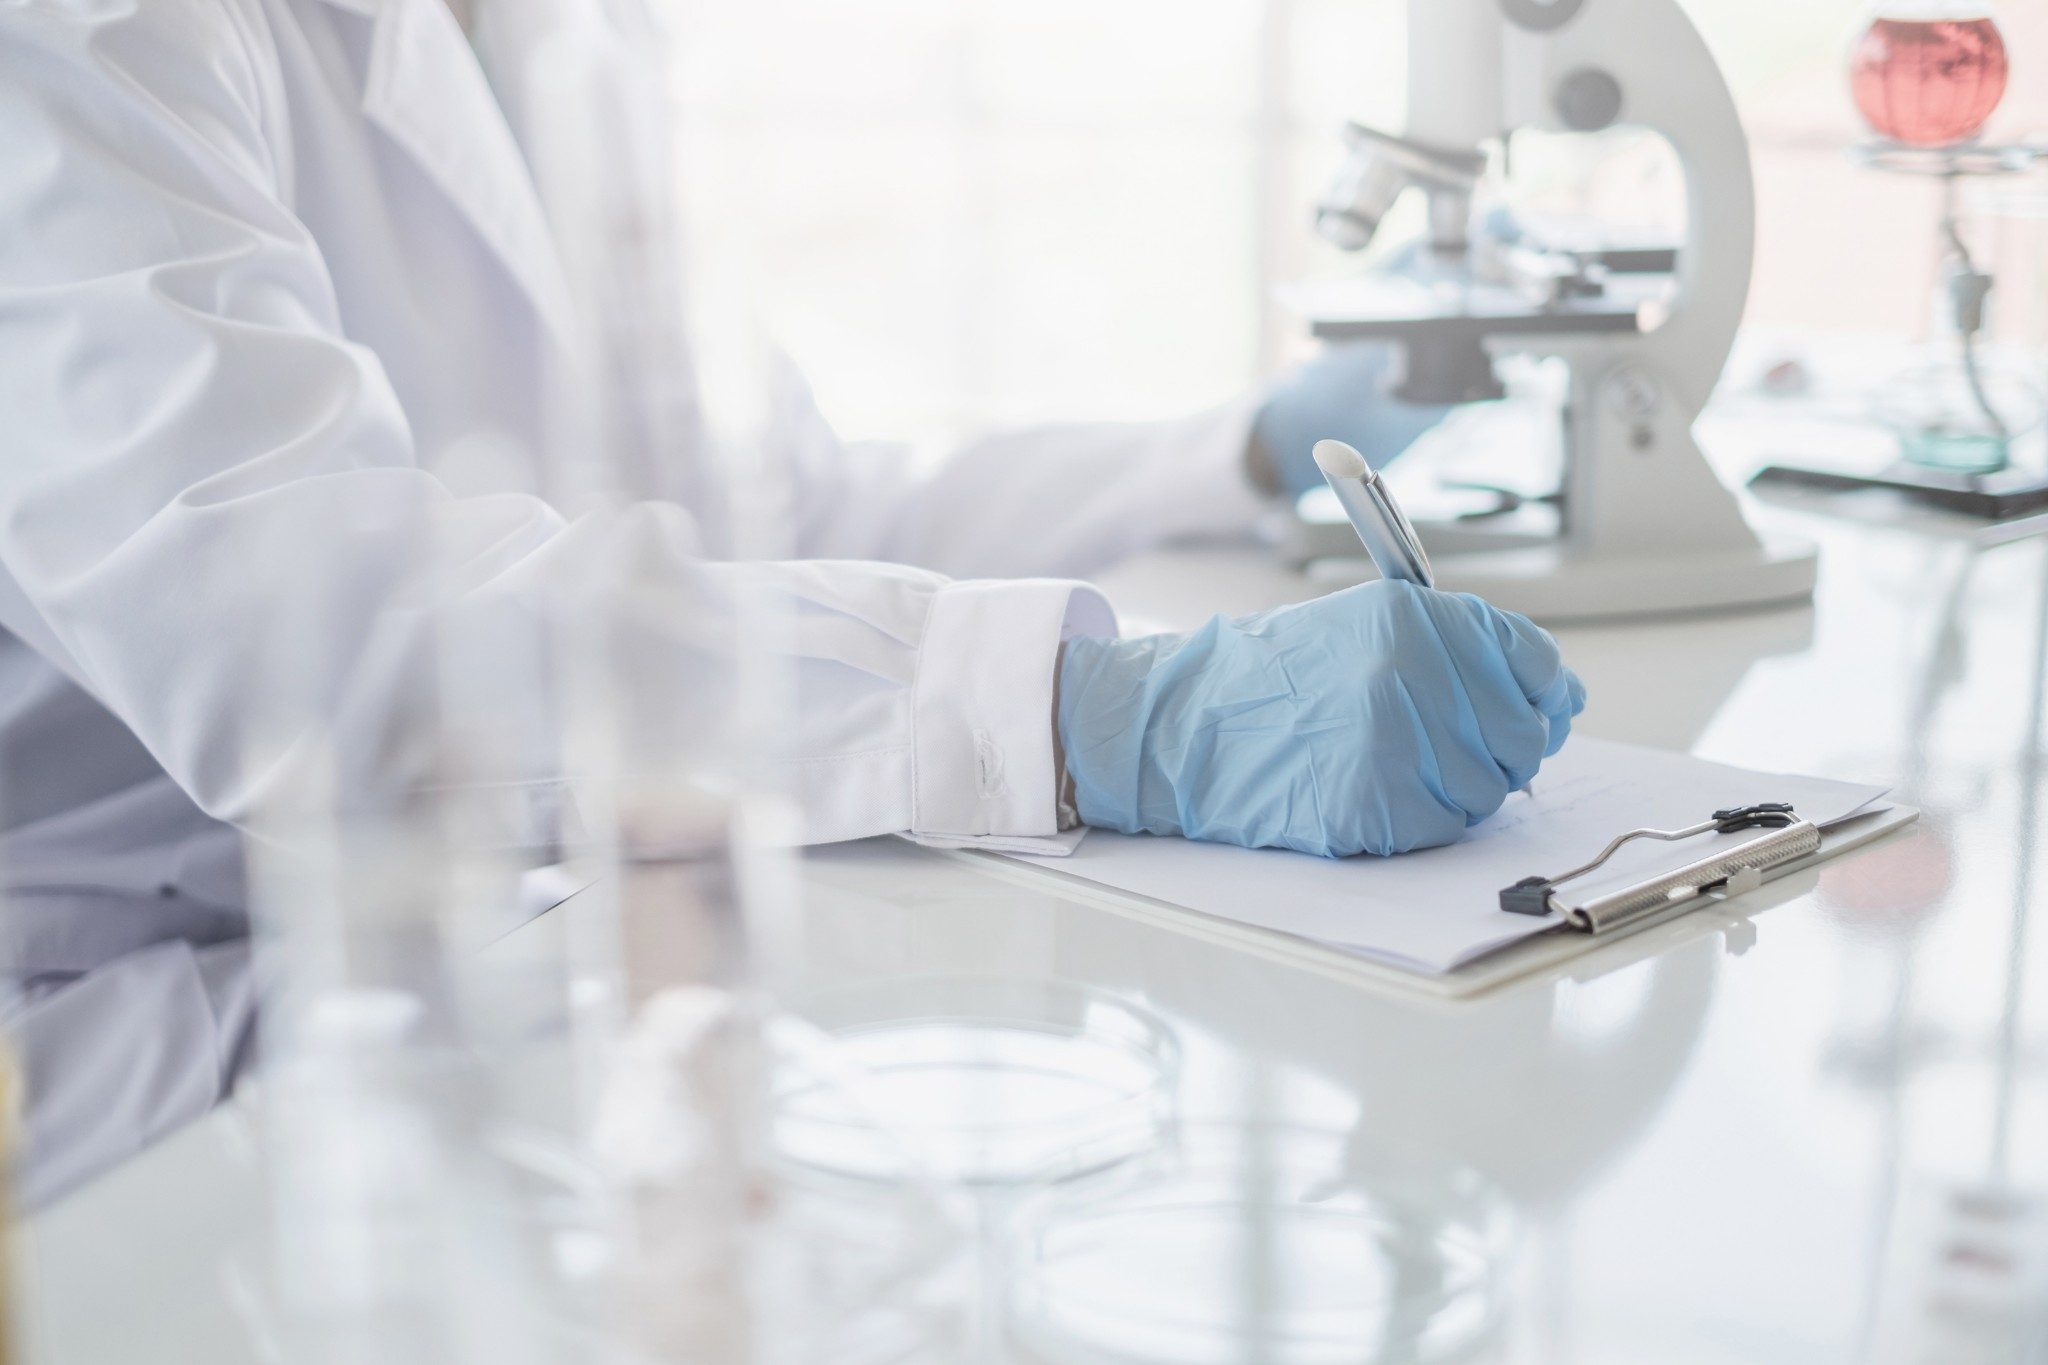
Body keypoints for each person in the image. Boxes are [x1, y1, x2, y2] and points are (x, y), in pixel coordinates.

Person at [0, 0, 1582, 1203]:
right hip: (93, 1039)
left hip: (435, 949)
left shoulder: (557, 30)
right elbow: (300, 636)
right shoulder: (74, 45)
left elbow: (783, 511)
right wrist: (1093, 713)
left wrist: (1239, 451)